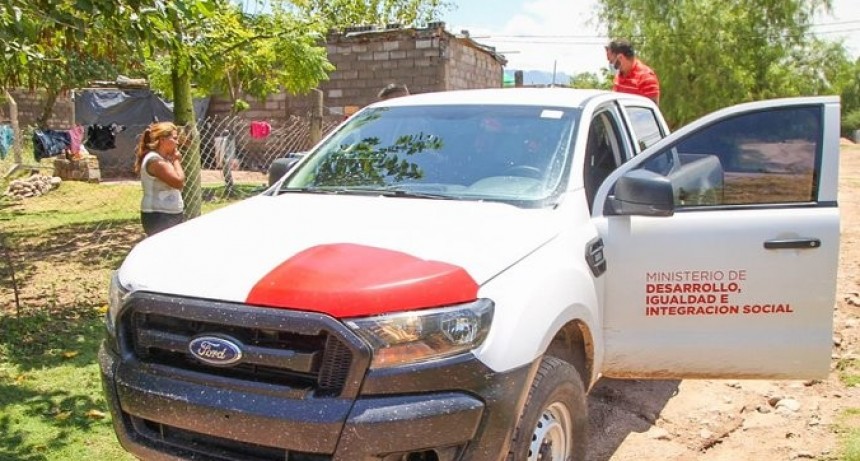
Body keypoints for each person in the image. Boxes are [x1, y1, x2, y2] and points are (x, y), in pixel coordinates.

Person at [133, 122, 185, 236]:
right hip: (160, 216)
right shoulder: (156, 161)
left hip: (169, 213)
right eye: (174, 138)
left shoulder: (163, 159)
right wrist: (176, 160)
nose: (177, 142)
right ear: (162, 139)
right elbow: (178, 182)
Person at [605, 39, 661, 104]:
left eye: (612, 62)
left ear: (621, 57)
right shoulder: (618, 78)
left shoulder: (646, 78)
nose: (612, 66)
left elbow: (650, 110)